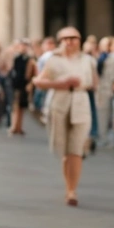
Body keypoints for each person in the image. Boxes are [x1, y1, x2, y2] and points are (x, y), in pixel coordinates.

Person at [33, 27, 96, 207]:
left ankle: (72, 190)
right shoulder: (54, 60)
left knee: (76, 149)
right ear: (61, 41)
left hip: (81, 103)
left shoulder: (87, 60)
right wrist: (60, 83)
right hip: (60, 103)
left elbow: (92, 82)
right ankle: (68, 186)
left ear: (80, 40)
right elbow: (38, 81)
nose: (70, 42)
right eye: (66, 38)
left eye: (73, 38)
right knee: (65, 150)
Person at [9, 40, 35, 136]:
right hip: (16, 85)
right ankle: (14, 126)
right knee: (15, 106)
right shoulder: (16, 57)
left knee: (21, 107)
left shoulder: (29, 59)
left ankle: (19, 126)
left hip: (24, 84)